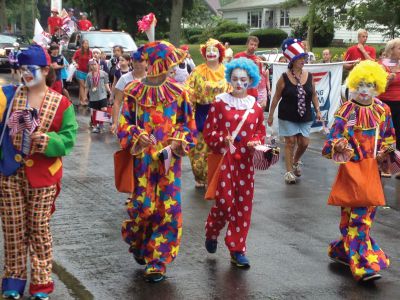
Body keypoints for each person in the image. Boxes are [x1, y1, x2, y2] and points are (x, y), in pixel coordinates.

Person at [0, 44, 78, 300]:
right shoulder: (8, 95)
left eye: (30, 69)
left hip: (43, 175)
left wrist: (47, 141)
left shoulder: (62, 102)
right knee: (12, 228)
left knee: (38, 227)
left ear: (46, 71)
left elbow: (69, 139)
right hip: (10, 173)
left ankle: (42, 283)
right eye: (21, 69)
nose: (25, 74)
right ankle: (13, 280)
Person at [118, 41, 196, 283]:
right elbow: (124, 123)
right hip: (142, 163)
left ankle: (157, 261)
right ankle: (141, 246)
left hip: (169, 165)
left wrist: (177, 141)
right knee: (143, 208)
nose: (168, 67)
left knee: (168, 210)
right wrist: (135, 134)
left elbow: (188, 126)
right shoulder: (133, 90)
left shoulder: (179, 91)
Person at [322, 60, 395, 283]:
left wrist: (385, 153)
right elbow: (332, 139)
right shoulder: (346, 110)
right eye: (361, 85)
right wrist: (339, 145)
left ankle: (352, 259)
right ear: (354, 84)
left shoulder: (383, 109)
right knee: (351, 220)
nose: (364, 90)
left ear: (378, 87)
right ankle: (353, 259)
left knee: (360, 220)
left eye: (370, 85)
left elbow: (388, 138)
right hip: (351, 171)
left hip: (371, 171)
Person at [203, 57, 265, 269]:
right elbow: (208, 132)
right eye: (236, 79)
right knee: (225, 202)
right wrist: (222, 139)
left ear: (251, 80)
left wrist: (257, 142)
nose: (239, 84)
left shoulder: (255, 107)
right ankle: (212, 229)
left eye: (244, 80)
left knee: (242, 206)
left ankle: (237, 249)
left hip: (245, 163)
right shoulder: (220, 102)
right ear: (230, 79)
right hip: (225, 160)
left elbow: (260, 131)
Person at [268, 38, 322, 184]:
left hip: (305, 115)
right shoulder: (284, 78)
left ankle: (296, 160)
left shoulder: (309, 76)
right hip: (288, 114)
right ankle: (288, 172)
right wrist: (271, 115)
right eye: (300, 58)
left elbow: (314, 95)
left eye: (304, 58)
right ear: (293, 61)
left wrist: (317, 110)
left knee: (304, 143)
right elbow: (276, 98)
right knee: (290, 141)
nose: (303, 60)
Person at [187, 38, 229, 188]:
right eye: (208, 51)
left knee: (219, 146)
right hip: (202, 113)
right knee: (199, 148)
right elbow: (189, 90)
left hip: (222, 114)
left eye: (215, 50)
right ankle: (201, 176)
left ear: (220, 53)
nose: (211, 53)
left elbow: (233, 90)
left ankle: (217, 176)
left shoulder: (226, 71)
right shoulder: (197, 71)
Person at [378, 38, 400, 178]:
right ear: (391, 50)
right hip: (386, 105)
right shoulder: (383, 65)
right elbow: (379, 89)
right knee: (388, 136)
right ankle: (384, 164)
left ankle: (398, 166)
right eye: (399, 48)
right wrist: (388, 80)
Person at [111, 51, 147, 133]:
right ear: (131, 62)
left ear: (147, 63)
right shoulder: (124, 79)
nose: (137, 64)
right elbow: (117, 102)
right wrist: (115, 123)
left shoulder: (151, 79)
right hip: (128, 120)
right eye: (135, 61)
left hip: (146, 119)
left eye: (140, 61)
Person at [86, 59, 111, 133]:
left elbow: (106, 84)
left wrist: (109, 92)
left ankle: (101, 125)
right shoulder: (89, 75)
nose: (93, 66)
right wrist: (84, 96)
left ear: (98, 65)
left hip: (102, 94)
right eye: (91, 65)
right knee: (95, 111)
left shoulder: (104, 74)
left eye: (95, 64)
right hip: (93, 96)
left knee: (103, 109)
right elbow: (87, 86)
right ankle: (96, 125)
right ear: (90, 66)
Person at [72, 39, 92, 105]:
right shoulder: (78, 52)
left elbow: (92, 60)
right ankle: (84, 99)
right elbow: (73, 59)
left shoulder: (90, 52)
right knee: (82, 85)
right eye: (85, 44)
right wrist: (75, 63)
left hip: (87, 71)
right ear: (82, 44)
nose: (86, 45)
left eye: (87, 43)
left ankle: (80, 100)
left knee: (83, 86)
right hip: (79, 70)